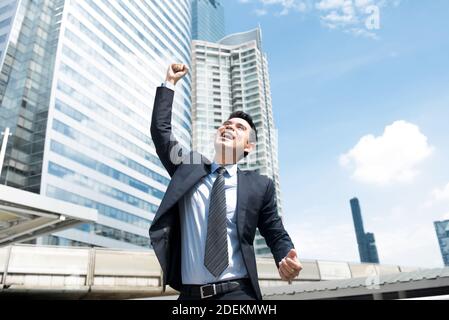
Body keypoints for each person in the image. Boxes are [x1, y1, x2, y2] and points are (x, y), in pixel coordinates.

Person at [149, 64, 302, 300]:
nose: (230, 127)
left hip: (237, 293)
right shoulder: (188, 167)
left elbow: (275, 232)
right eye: (226, 124)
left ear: (248, 147)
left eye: (240, 128)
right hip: (189, 297)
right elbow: (161, 133)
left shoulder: (260, 186)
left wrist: (284, 257)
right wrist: (169, 83)